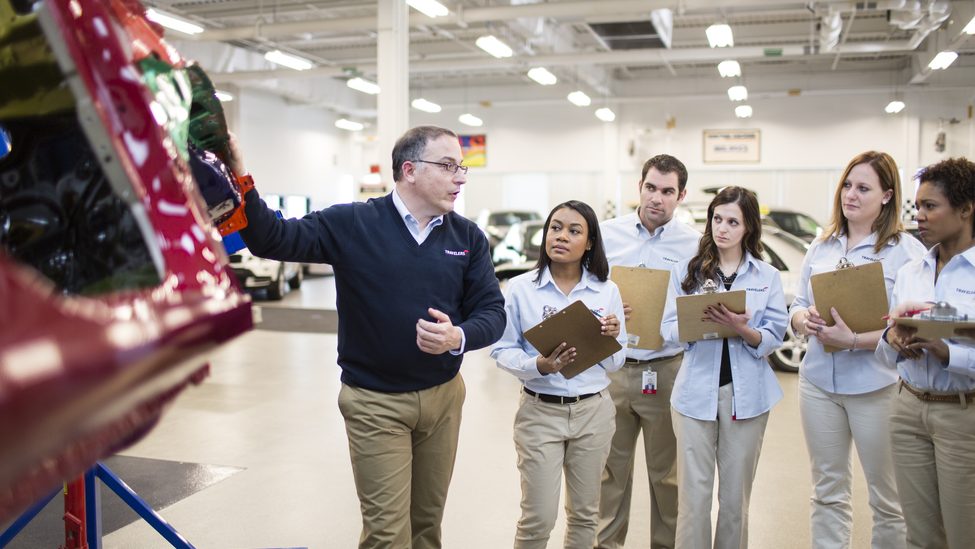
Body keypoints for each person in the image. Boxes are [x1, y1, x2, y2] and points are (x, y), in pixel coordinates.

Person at [226, 125, 506, 549]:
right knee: (387, 536)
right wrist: (239, 175)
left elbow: (492, 312)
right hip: (376, 403)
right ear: (409, 170)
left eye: (461, 167)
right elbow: (271, 237)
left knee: (427, 528)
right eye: (449, 166)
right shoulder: (353, 223)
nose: (461, 177)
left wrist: (458, 337)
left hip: (444, 399)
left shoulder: (467, 237)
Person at [789, 152, 924, 549]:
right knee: (827, 490)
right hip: (817, 385)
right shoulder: (822, 245)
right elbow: (796, 303)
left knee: (888, 498)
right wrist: (804, 321)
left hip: (876, 388)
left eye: (863, 187)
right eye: (847, 185)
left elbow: (907, 327)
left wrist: (852, 341)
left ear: (886, 196)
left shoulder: (905, 252)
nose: (851, 194)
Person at [490, 200, 628, 549]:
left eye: (574, 230)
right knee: (538, 519)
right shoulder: (521, 288)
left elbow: (616, 364)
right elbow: (501, 349)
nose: (561, 236)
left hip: (593, 413)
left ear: (591, 242)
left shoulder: (606, 290)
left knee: (585, 516)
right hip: (540, 413)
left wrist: (612, 340)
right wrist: (539, 365)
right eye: (555, 227)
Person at [660, 186, 787, 549]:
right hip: (694, 394)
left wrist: (743, 329)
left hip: (747, 397)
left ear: (748, 228)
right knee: (693, 501)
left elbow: (774, 336)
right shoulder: (687, 272)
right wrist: (697, 324)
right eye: (717, 219)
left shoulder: (767, 276)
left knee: (735, 501)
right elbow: (667, 328)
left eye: (733, 222)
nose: (723, 228)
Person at [597, 154, 701, 549]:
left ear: (681, 195)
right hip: (613, 368)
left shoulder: (694, 244)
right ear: (639, 187)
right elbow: (587, 293)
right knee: (610, 472)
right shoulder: (606, 235)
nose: (657, 198)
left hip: (668, 369)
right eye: (651, 187)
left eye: (667, 191)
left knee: (668, 475)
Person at [876, 157, 975, 549]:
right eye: (917, 206)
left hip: (962, 413)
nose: (919, 215)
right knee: (919, 535)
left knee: (964, 532)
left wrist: (947, 352)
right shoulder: (911, 271)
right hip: (907, 408)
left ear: (966, 209)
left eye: (930, 206)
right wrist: (892, 341)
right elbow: (886, 358)